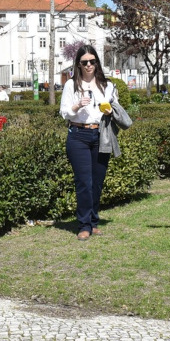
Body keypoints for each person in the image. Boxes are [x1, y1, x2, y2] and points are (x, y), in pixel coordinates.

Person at [61, 45, 122, 241]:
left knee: (97, 182)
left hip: (101, 134)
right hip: (78, 135)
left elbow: (116, 107)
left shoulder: (107, 85)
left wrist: (110, 111)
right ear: (78, 64)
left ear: (97, 63)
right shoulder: (71, 85)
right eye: (84, 62)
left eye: (92, 61)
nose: (89, 65)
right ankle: (84, 225)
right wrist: (77, 105)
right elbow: (64, 113)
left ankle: (93, 222)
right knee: (84, 183)